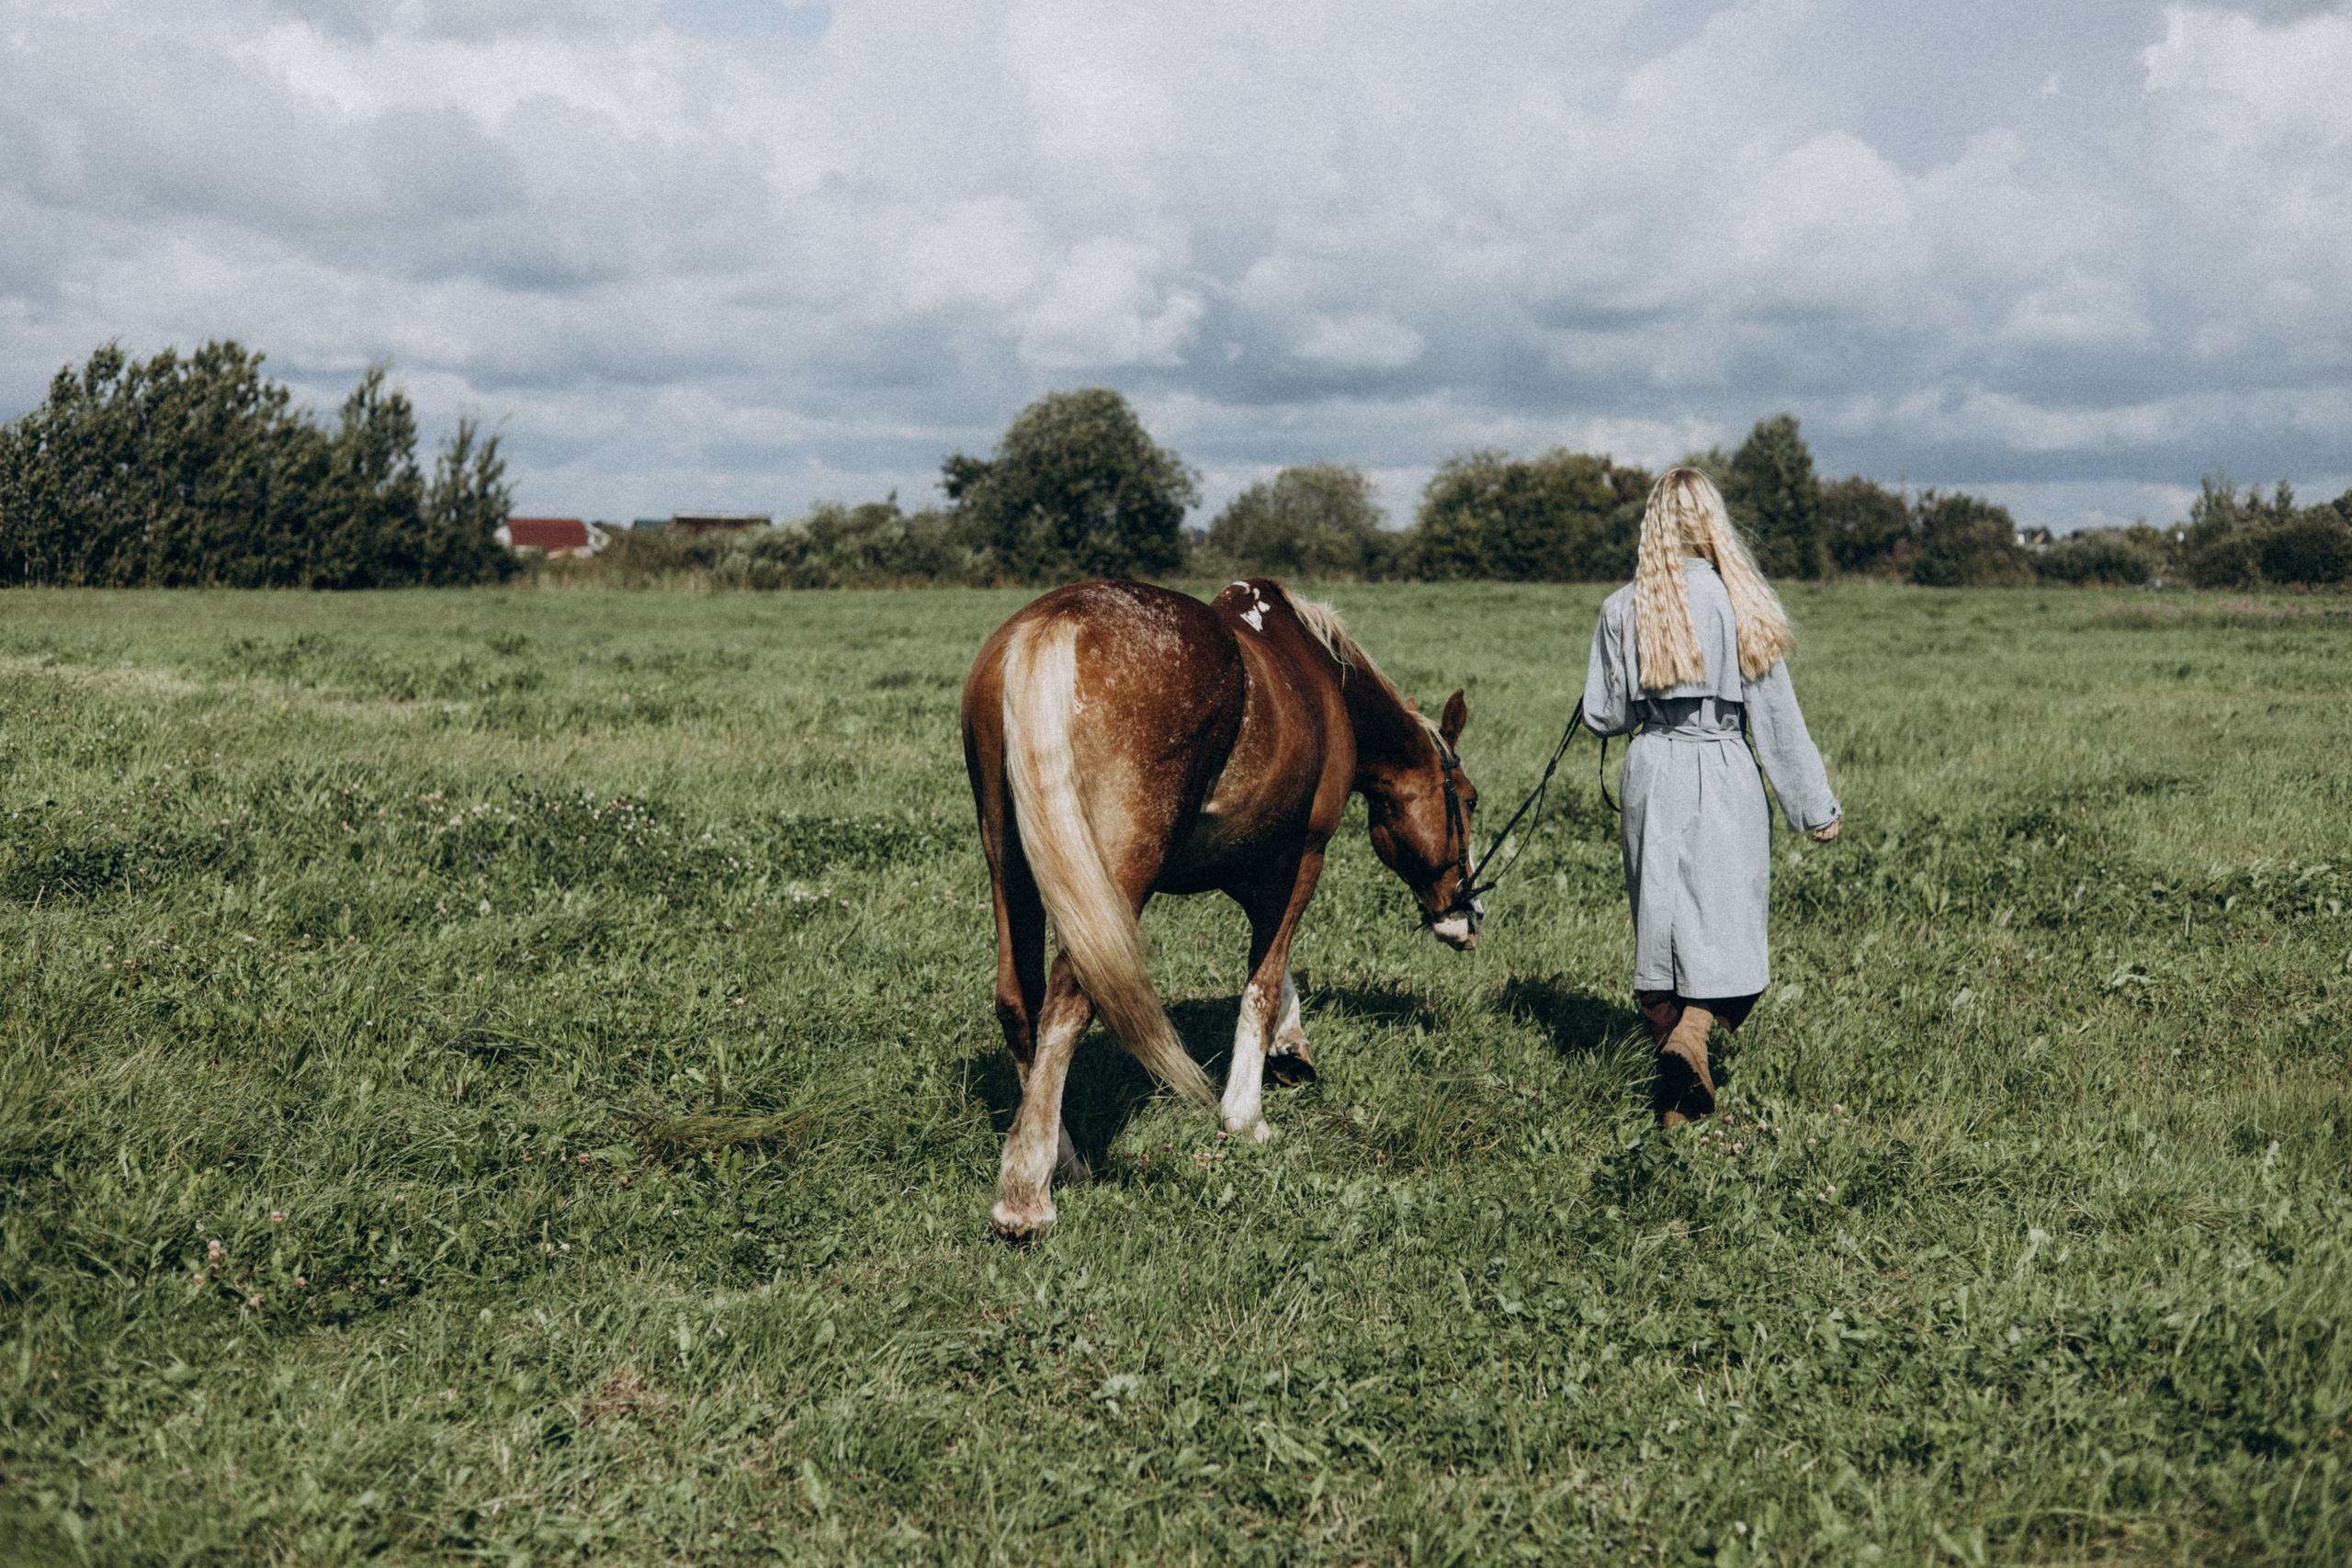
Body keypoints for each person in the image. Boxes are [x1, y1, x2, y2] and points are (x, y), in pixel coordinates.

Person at [1581, 468, 1841, 1126]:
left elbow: (1605, 716)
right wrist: (1813, 806)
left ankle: (1679, 1070)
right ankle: (1693, 1043)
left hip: (1654, 768)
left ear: (1654, 526)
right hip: (1724, 763)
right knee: (1728, 921)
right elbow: (1777, 716)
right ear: (1712, 522)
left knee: (1663, 927)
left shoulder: (1622, 606)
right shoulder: (1742, 601)